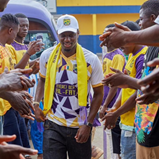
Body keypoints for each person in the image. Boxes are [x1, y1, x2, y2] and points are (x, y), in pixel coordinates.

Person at [34, 14, 103, 159]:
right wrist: (36, 104)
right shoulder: (47, 56)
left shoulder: (91, 60)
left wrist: (88, 124)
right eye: (63, 35)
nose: (67, 39)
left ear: (78, 33)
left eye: (71, 35)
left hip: (80, 126)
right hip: (53, 123)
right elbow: (42, 79)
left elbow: (98, 93)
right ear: (58, 35)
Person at [101, 1, 159, 158]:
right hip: (144, 129)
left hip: (154, 133)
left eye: (141, 19)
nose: (139, 24)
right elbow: (142, 87)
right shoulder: (151, 49)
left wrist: (127, 37)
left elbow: (150, 88)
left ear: (154, 19)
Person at [104, 21, 147, 159]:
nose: (119, 46)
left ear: (130, 38)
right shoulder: (131, 55)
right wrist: (114, 108)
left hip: (135, 123)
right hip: (126, 122)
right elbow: (127, 87)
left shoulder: (142, 56)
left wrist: (116, 113)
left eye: (121, 41)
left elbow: (140, 91)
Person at [99, 24, 125, 159]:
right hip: (107, 102)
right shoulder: (107, 55)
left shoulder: (117, 56)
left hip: (114, 104)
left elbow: (115, 84)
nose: (105, 38)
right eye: (103, 34)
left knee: (116, 140)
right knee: (110, 136)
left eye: (108, 35)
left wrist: (105, 105)